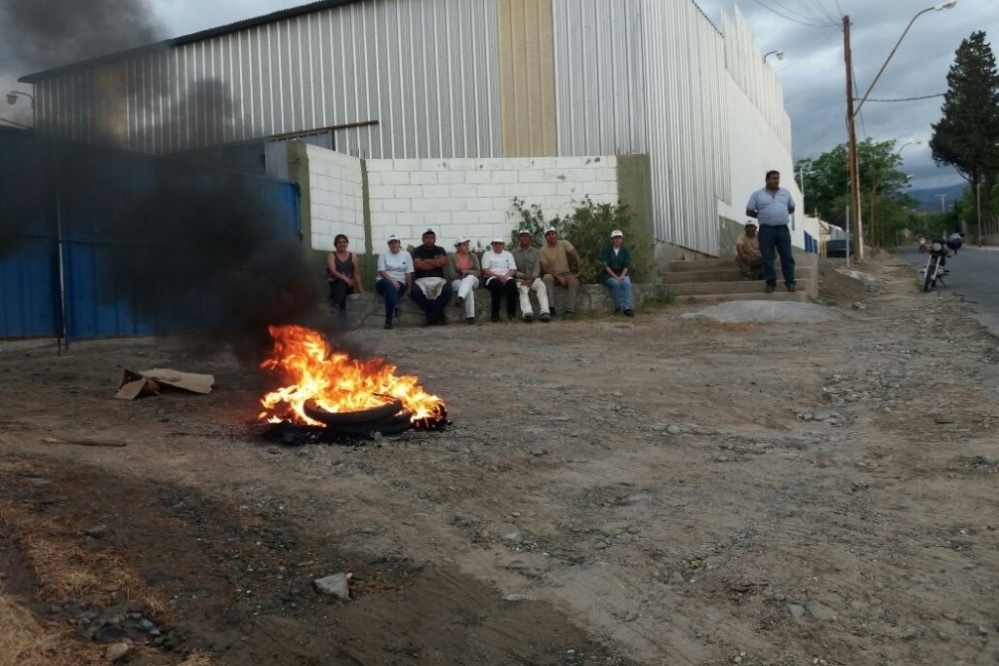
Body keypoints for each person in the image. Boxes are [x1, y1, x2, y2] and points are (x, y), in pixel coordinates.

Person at [746, 170, 796, 293]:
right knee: (767, 257)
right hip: (766, 230)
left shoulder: (785, 193)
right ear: (767, 180)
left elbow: (791, 207)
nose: (776, 181)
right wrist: (763, 215)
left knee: (787, 256)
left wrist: (780, 215)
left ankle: (790, 283)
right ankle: (770, 283)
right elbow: (749, 211)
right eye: (773, 178)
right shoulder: (757, 194)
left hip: (783, 229)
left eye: (777, 178)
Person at [410, 228, 453, 326]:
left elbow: (442, 262)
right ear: (422, 239)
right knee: (414, 292)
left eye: (431, 238)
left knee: (447, 290)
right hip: (421, 280)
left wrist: (425, 261)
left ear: (435, 239)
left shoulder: (440, 249)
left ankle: (430, 318)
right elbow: (418, 265)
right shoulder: (417, 250)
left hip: (438, 279)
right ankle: (438, 315)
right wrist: (435, 263)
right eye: (426, 238)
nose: (429, 240)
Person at [539, 226, 582, 317]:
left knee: (574, 281)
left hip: (566, 274)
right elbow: (544, 269)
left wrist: (579, 272)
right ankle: (551, 308)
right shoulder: (543, 250)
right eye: (548, 235)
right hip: (554, 276)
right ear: (545, 237)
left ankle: (570, 310)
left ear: (557, 235)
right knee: (546, 277)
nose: (551, 236)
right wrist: (558, 277)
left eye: (553, 233)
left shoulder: (564, 243)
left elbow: (576, 255)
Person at [511, 230, 551, 323]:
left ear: (530, 238)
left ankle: (545, 312)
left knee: (542, 286)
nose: (525, 238)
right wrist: (524, 277)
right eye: (522, 236)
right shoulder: (513, 253)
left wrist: (531, 279)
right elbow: (513, 270)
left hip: (534, 278)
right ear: (519, 238)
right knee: (523, 289)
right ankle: (527, 313)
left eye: (527, 236)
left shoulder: (536, 252)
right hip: (520, 278)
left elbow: (537, 268)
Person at [375, 234, 413, 330]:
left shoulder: (406, 255)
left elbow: (408, 273)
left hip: (400, 282)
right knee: (389, 285)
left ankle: (389, 321)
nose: (393, 245)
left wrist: (409, 287)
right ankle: (395, 307)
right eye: (391, 243)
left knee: (390, 292)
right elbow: (381, 271)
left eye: (395, 242)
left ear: (399, 243)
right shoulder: (383, 255)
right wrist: (392, 281)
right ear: (388, 245)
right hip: (383, 281)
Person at [326, 234, 365, 318]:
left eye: (344, 242)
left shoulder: (353, 256)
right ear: (335, 244)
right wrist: (344, 278)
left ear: (347, 243)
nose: (342, 244)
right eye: (339, 242)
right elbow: (333, 271)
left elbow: (356, 274)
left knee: (342, 285)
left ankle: (336, 306)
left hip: (348, 286)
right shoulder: (331, 255)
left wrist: (361, 289)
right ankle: (340, 316)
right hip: (333, 284)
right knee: (341, 283)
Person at [480, 236, 519, 322]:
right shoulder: (487, 254)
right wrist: (498, 276)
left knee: (512, 284)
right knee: (497, 286)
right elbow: (485, 270)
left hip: (506, 276)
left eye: (499, 243)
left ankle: (511, 313)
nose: (497, 245)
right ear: (492, 244)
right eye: (495, 243)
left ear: (503, 244)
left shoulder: (508, 254)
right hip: (491, 277)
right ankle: (495, 314)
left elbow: (512, 269)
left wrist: (505, 277)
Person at [445, 236, 481, 325]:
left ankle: (460, 297)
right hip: (457, 281)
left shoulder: (473, 256)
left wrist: (467, 272)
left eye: (467, 244)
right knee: (468, 290)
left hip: (473, 280)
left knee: (469, 278)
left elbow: (477, 272)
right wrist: (461, 275)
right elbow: (451, 275)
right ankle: (470, 317)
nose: (467, 246)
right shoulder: (452, 257)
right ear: (458, 247)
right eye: (464, 245)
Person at [600, 229, 634, 317]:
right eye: (615, 237)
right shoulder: (607, 251)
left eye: (619, 237)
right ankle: (617, 308)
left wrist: (622, 276)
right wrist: (616, 277)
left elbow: (627, 265)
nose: (617, 239)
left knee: (626, 282)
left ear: (622, 239)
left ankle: (627, 308)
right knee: (616, 284)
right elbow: (605, 266)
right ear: (612, 240)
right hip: (609, 275)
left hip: (622, 273)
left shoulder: (625, 251)